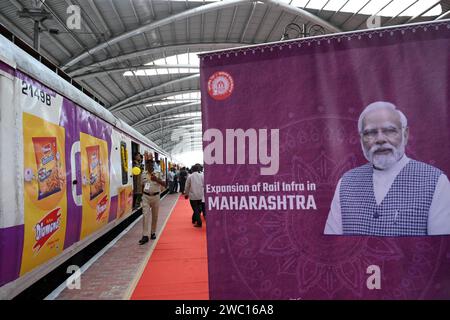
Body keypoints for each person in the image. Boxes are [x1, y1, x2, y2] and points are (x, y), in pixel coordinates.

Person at [324, 101, 450, 236]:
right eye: (370, 133)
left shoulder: (436, 182)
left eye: (389, 131)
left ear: (405, 135)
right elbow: (333, 245)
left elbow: (441, 248)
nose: (380, 139)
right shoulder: (346, 183)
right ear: (361, 140)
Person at [139, 159, 166, 244]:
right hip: (146, 197)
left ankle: (153, 232)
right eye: (148, 164)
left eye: (151, 164)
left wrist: (157, 180)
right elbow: (142, 185)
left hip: (156, 197)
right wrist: (141, 195)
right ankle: (145, 235)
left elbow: (165, 184)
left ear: (153, 164)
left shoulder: (158, 173)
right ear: (146, 165)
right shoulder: (143, 174)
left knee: (155, 215)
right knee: (145, 215)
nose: (149, 166)